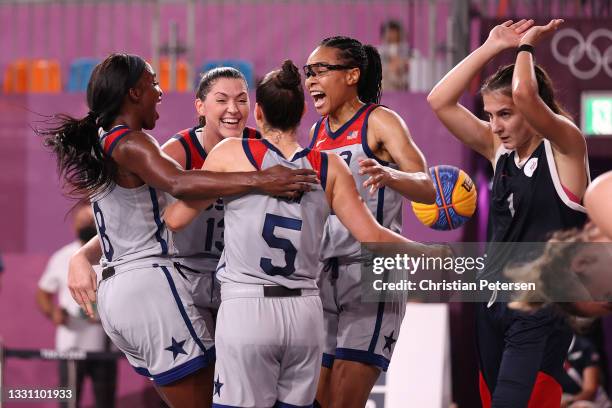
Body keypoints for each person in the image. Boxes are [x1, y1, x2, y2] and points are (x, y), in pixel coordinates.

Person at [39, 53, 317, 407]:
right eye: (153, 83)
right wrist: (262, 179)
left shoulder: (111, 137)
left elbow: (132, 215)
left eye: (242, 98)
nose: (160, 92)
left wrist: (83, 254)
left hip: (135, 287)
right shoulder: (144, 144)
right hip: (155, 283)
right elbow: (179, 186)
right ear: (134, 92)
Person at [163, 60, 439, 408]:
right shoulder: (329, 166)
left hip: (248, 309)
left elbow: (174, 219)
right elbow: (375, 238)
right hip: (305, 313)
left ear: (258, 112)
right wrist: (430, 253)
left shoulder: (232, 153)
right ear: (303, 112)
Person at [427, 19, 590, 407]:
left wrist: (526, 47)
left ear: (533, 113)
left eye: (505, 114)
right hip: (492, 304)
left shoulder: (566, 147)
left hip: (540, 306)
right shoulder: (499, 150)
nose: (495, 126)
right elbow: (439, 100)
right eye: (489, 115)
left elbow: (525, 93)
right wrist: (490, 46)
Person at [304, 36, 436, 407]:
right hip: (325, 274)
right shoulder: (316, 134)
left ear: (351, 75)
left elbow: (427, 187)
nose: (310, 80)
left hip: (372, 271)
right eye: (307, 73)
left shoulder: (379, 121)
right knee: (318, 399)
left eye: (320, 71)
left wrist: (390, 175)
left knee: (344, 401)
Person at [160, 66, 261, 399]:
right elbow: (135, 214)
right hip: (187, 279)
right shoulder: (177, 152)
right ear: (200, 106)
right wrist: (85, 255)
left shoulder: (259, 147)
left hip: (239, 284)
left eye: (241, 100)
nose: (233, 109)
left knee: (241, 385)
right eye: (222, 100)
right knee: (198, 385)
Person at [36, 202, 117, 408]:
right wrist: (53, 312)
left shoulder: (115, 256)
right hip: (71, 345)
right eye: (82, 222)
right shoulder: (62, 257)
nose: (87, 225)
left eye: (91, 221)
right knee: (68, 402)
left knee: (105, 401)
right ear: (74, 226)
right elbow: (43, 293)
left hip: (106, 344)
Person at [378, 20, 412, 91]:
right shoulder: (378, 52)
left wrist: (403, 63)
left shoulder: (409, 51)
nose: (393, 35)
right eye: (390, 32)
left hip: (403, 85)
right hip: (385, 86)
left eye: (395, 32)